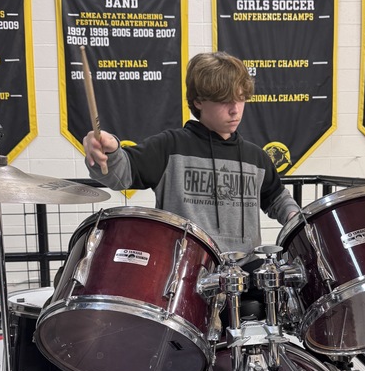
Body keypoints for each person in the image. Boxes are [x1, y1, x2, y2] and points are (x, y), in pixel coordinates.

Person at [82, 50, 300, 255]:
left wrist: (294, 217)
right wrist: (107, 152)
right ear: (198, 101)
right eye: (225, 101)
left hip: (243, 280)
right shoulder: (170, 147)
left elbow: (277, 198)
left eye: (241, 98)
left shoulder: (256, 158)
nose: (235, 109)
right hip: (184, 275)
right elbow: (120, 175)